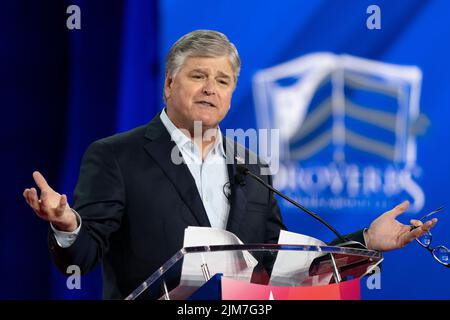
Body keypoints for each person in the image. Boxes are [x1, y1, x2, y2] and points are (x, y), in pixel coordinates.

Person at [23, 30, 437, 299]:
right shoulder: (116, 155)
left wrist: (365, 241)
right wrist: (67, 226)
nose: (210, 89)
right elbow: (82, 257)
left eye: (222, 81)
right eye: (197, 76)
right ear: (169, 84)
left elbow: (280, 264)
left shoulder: (251, 166)